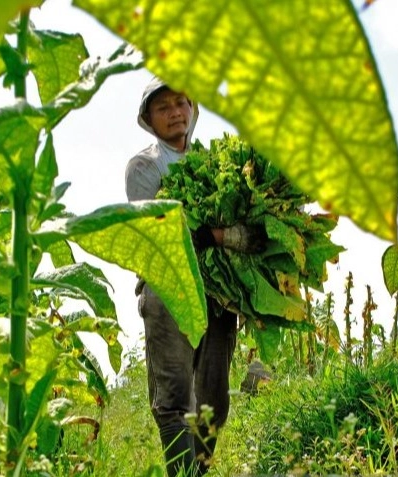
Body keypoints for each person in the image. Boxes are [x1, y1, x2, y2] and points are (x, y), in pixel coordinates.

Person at [125, 77, 266, 476]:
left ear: (193, 109)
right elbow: (156, 230)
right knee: (173, 400)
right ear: (149, 119)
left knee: (212, 402)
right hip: (168, 288)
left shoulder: (213, 163)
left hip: (217, 293)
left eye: (181, 103)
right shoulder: (145, 166)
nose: (174, 113)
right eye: (163, 108)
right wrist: (219, 235)